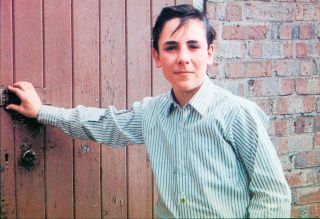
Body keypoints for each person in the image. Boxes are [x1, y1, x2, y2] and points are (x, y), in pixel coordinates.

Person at [6, 4, 291, 218]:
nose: (183, 59)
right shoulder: (151, 114)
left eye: (193, 46)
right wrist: (43, 111)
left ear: (210, 53)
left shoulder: (237, 114)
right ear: (156, 56)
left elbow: (272, 195)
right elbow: (103, 123)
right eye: (171, 48)